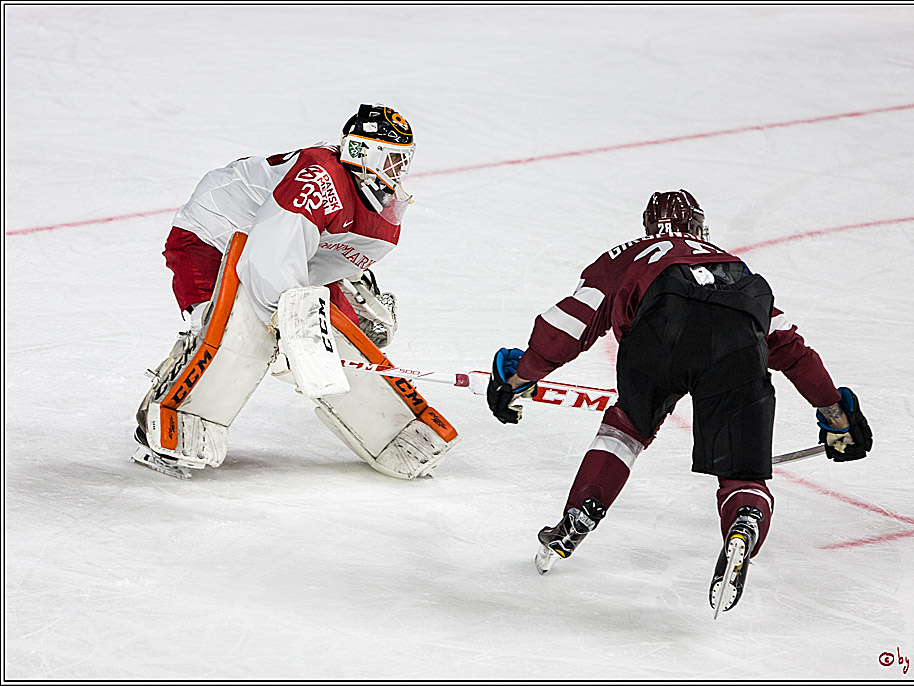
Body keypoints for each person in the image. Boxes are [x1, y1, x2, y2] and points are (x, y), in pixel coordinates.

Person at [486, 189, 872, 616]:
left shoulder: (626, 255)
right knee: (741, 470)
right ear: (700, 226)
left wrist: (520, 376)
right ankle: (743, 524)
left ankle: (579, 516)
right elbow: (790, 348)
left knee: (627, 427)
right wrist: (837, 414)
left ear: (650, 228)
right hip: (737, 336)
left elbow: (569, 326)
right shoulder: (731, 264)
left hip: (660, 327)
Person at [133, 103, 459, 481]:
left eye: (404, 161)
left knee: (332, 339)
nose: (398, 171)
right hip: (213, 234)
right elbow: (267, 261)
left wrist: (325, 323)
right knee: (236, 335)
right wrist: (291, 327)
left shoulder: (379, 211)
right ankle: (164, 422)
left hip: (285, 248)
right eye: (392, 159)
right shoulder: (320, 176)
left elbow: (311, 264)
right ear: (361, 151)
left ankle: (393, 430)